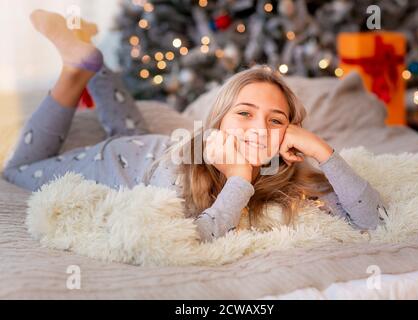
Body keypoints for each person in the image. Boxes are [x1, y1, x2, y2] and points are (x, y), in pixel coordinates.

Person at [2, 10, 387, 243]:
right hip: (115, 162)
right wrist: (239, 179)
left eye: (276, 121)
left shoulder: (283, 172)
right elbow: (189, 240)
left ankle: (91, 55)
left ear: (289, 136)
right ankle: (76, 69)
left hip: (139, 146)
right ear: (218, 122)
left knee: (128, 131)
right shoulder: (183, 167)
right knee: (15, 171)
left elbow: (376, 220)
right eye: (244, 113)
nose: (259, 128)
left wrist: (321, 149)